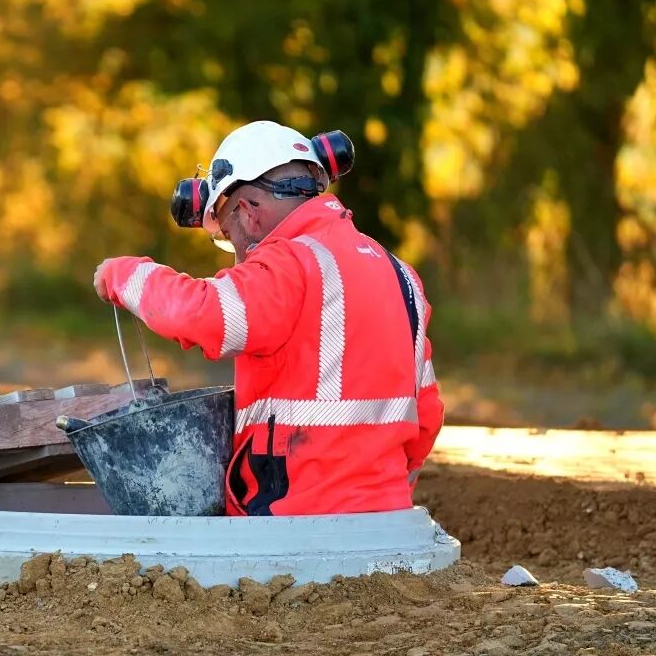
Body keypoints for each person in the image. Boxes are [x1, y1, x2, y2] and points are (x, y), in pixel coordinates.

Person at [93, 120, 443, 517]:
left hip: (292, 522)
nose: (237, 252)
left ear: (247, 213)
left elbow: (201, 314)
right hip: (386, 516)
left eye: (228, 234)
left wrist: (123, 274)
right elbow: (426, 413)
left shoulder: (290, 262)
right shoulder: (401, 275)